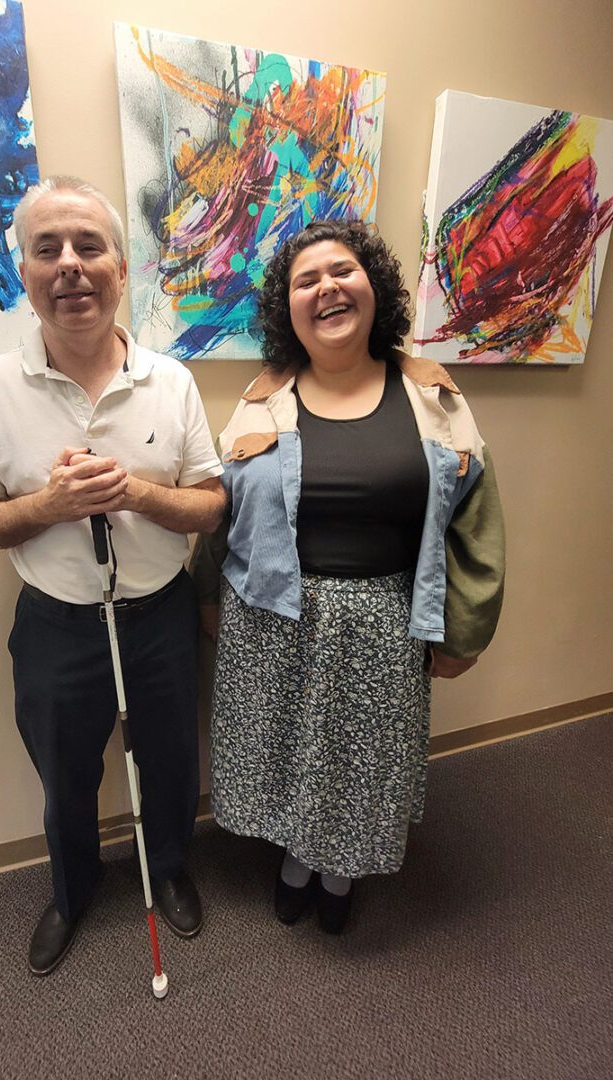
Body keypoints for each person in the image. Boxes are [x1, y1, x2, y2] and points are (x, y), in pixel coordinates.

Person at [191, 219, 504, 933]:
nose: (327, 287)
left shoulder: (433, 397)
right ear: (288, 308)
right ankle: (295, 861)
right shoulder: (260, 398)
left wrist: (467, 630)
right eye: (307, 280)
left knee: (362, 762)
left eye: (343, 271)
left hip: (383, 623)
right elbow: (224, 508)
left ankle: (337, 875)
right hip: (270, 616)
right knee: (286, 749)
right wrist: (208, 594)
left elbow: (478, 522)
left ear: (373, 288)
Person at [0, 175, 225, 975]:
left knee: (171, 759)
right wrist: (49, 504)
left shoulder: (170, 380)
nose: (69, 265)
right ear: (26, 273)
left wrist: (135, 493)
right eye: (48, 249)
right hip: (56, 623)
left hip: (160, 615)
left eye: (88, 246)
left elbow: (210, 506)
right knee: (64, 774)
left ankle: (167, 868)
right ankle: (71, 894)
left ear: (120, 267)